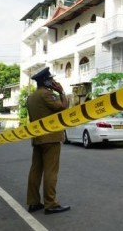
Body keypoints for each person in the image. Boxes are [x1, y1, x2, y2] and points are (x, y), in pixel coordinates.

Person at [26, 67, 71, 215]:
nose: (53, 81)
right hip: (50, 138)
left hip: (37, 137)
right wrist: (61, 92)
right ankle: (50, 204)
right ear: (45, 81)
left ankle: (33, 203)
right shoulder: (47, 94)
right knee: (51, 171)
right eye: (51, 79)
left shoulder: (31, 97)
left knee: (35, 170)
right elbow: (63, 108)